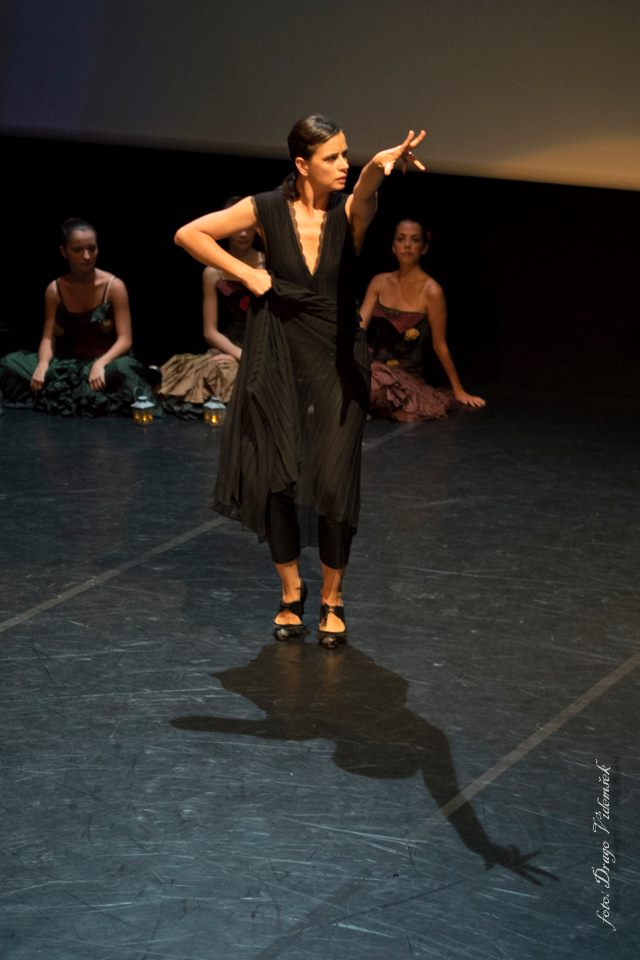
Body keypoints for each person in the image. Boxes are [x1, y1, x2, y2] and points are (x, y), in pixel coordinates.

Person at [175, 115, 426, 647]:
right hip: (276, 351)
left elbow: (366, 191)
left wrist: (379, 166)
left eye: (346, 154)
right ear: (302, 164)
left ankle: (334, 596)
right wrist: (247, 272)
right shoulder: (265, 208)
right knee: (277, 476)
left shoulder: (347, 213)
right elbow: (189, 234)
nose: (343, 164)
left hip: (336, 353)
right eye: (331, 157)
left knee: (333, 481)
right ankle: (291, 590)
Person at [0, 218, 156, 416]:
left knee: (124, 369)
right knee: (9, 363)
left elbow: (125, 340)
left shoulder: (114, 286)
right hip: (68, 364)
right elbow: (48, 337)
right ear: (64, 251)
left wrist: (100, 364)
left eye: (92, 248)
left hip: (106, 362)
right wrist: (42, 364)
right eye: (78, 250)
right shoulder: (55, 289)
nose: (87, 256)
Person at [359, 218, 486, 421]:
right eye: (401, 239)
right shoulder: (379, 282)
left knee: (371, 387)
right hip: (373, 368)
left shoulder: (431, 291)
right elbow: (359, 329)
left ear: (424, 247)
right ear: (393, 246)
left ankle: (371, 404)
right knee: (349, 377)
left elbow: (440, 345)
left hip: (405, 378)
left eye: (415, 240)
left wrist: (458, 390)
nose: (407, 245)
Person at [156, 198, 265, 416]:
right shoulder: (213, 272)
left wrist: (252, 354)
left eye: (248, 226)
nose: (243, 233)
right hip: (231, 345)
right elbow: (210, 332)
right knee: (220, 374)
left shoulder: (270, 264)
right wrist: (239, 354)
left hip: (264, 341)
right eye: (237, 226)